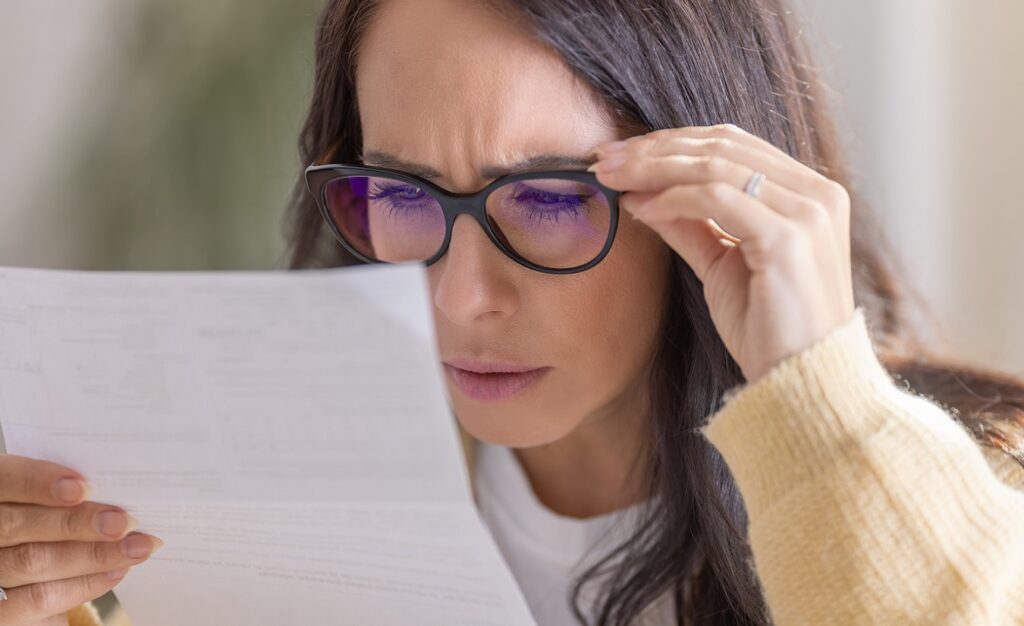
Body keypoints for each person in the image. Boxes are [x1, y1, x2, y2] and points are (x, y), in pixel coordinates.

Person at [1, 0, 1021, 624]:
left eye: (548, 200)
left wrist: (824, 412)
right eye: (399, 193)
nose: (458, 297)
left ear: (712, 190)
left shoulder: (984, 500)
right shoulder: (255, 522)